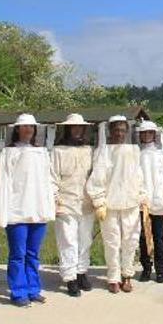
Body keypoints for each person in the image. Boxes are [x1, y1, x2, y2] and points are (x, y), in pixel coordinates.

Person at [0, 113, 55, 307]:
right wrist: (3, 212)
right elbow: (3, 183)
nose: (28, 130)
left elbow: (47, 182)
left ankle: (33, 289)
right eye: (25, 127)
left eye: (31, 127)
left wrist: (49, 206)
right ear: (17, 130)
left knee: (33, 254)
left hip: (38, 211)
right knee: (17, 254)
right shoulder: (8, 153)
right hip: (17, 212)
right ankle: (18, 291)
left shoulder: (42, 153)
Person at [87, 115, 147, 294]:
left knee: (131, 241)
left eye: (122, 130)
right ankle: (113, 277)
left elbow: (139, 175)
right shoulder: (103, 151)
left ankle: (127, 275)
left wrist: (142, 197)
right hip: (110, 205)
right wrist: (99, 202)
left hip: (131, 203)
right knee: (112, 242)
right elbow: (97, 179)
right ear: (110, 131)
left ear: (127, 131)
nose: (119, 133)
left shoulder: (134, 150)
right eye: (116, 129)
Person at [51, 113, 95, 297]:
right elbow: (52, 178)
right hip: (65, 203)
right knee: (68, 241)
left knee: (85, 240)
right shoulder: (57, 151)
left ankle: (81, 271)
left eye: (80, 127)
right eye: (74, 127)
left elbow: (96, 176)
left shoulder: (89, 150)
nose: (77, 130)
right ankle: (70, 278)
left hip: (86, 203)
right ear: (68, 129)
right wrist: (54, 200)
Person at [136, 120, 163, 283]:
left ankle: (161, 270)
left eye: (149, 132)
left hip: (160, 201)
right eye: (143, 133)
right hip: (142, 202)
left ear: (155, 134)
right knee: (143, 237)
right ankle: (146, 269)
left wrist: (162, 197)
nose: (146, 135)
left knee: (159, 237)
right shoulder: (136, 153)